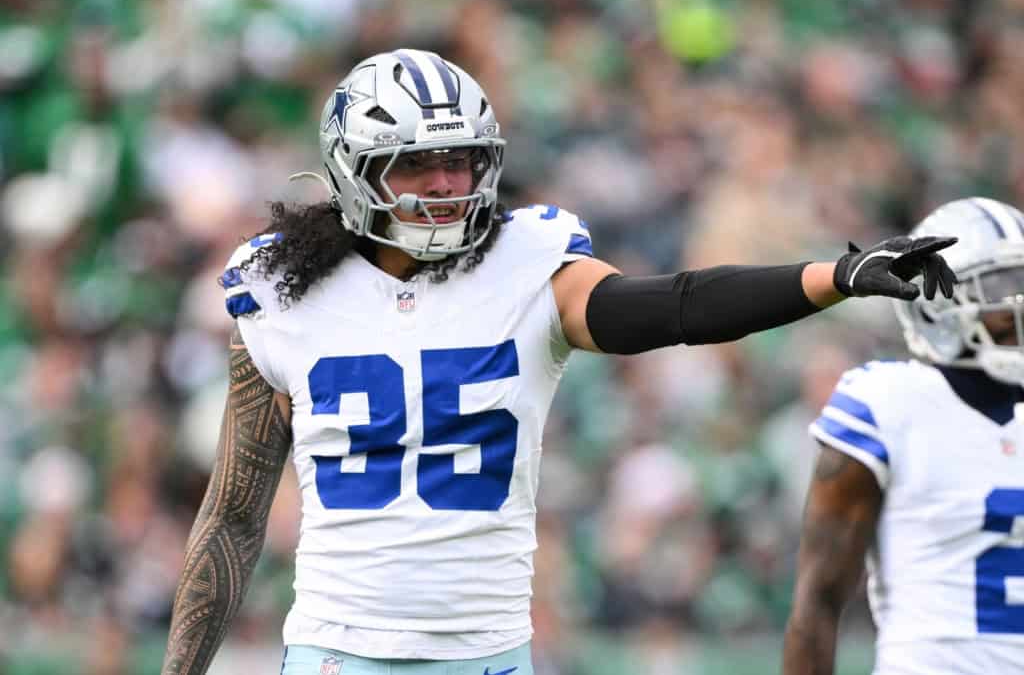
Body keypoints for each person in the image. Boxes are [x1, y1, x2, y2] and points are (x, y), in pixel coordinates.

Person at [160, 49, 956, 675]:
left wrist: (831, 277)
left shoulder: (526, 262)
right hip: (338, 654)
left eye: (462, 160)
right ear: (354, 172)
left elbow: (670, 306)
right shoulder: (281, 293)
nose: (446, 184)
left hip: (488, 657)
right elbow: (233, 516)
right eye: (415, 165)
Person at [783, 197, 1024, 675]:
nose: (1018, 303)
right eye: (1000, 285)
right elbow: (818, 605)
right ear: (941, 304)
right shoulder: (888, 403)